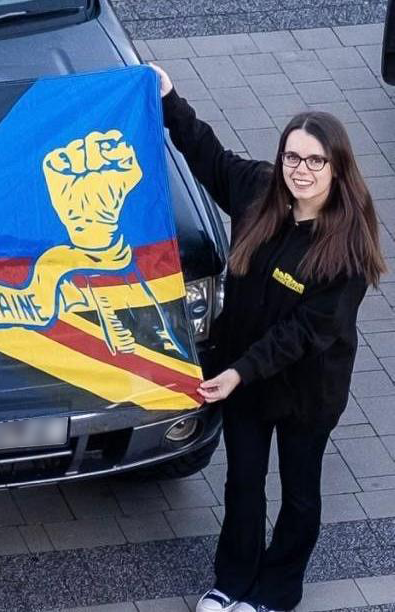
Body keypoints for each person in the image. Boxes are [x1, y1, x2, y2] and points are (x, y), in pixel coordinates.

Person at [146, 64, 386, 612]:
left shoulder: (348, 247)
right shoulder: (259, 190)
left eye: (315, 160)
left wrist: (235, 372)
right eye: (292, 157)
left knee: (299, 496)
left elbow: (303, 333)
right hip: (244, 385)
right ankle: (231, 583)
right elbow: (208, 157)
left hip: (304, 393)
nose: (300, 170)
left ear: (337, 167)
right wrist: (168, 98)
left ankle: (277, 592)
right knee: (243, 487)